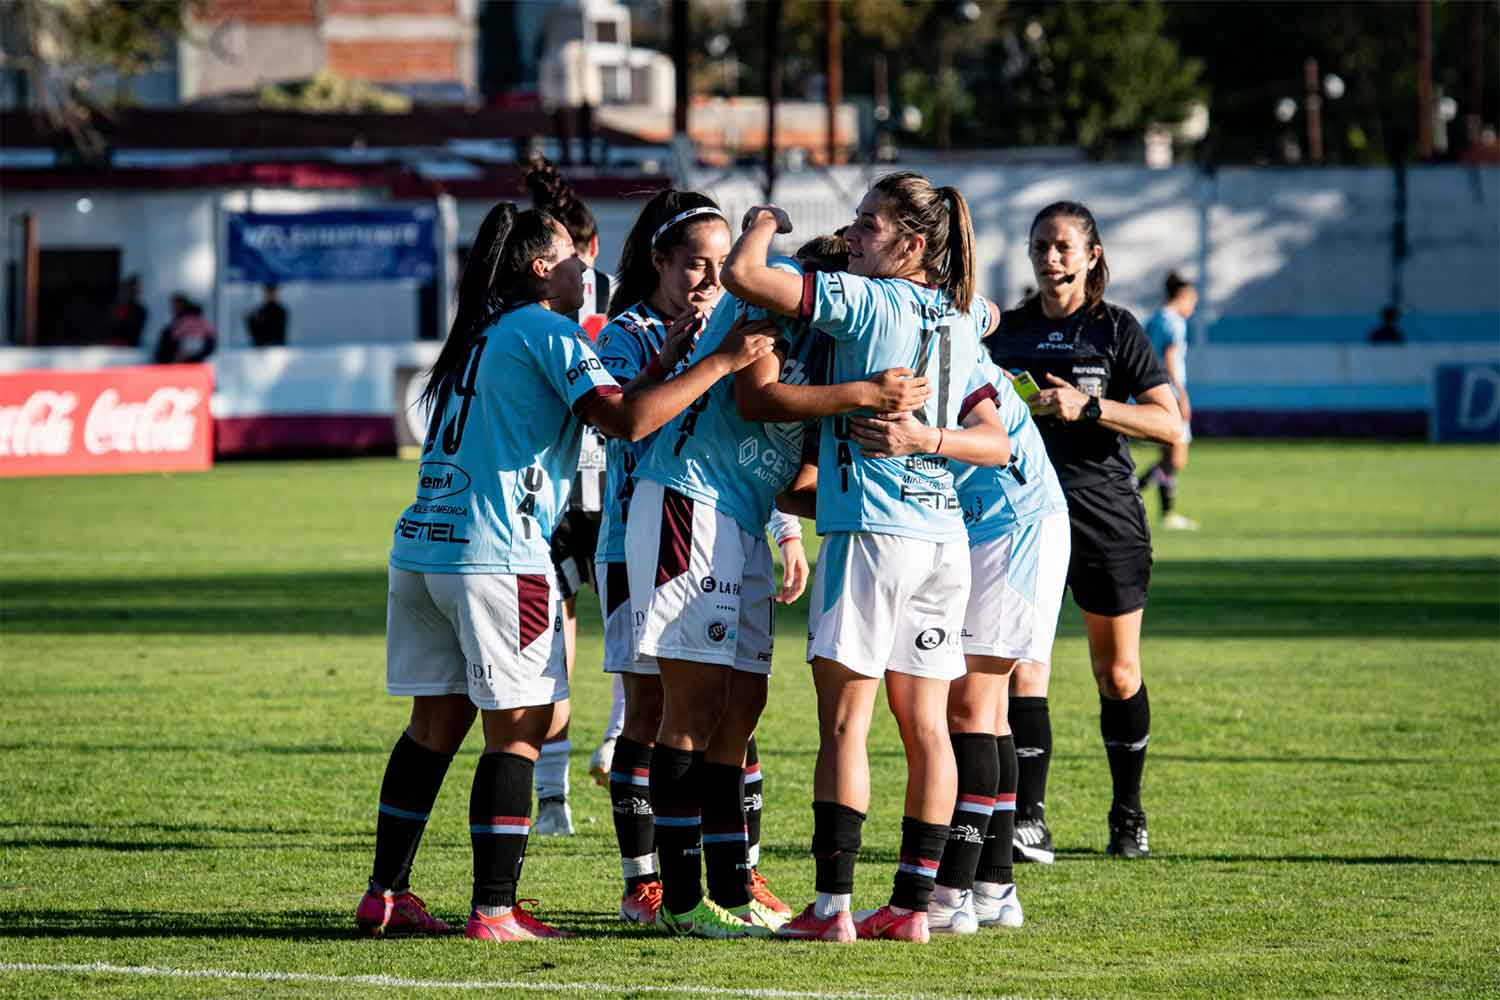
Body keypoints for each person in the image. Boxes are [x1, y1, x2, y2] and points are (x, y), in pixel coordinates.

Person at [355, 201, 774, 944]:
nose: (593, 270)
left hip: (423, 548)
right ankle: (494, 910)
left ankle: (385, 894)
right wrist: (719, 361)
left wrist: (664, 357)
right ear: (544, 268)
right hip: (497, 556)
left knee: (430, 731)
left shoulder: (479, 332)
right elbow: (625, 423)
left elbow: (604, 405)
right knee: (519, 733)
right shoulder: (550, 331)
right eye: (579, 259)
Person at [723, 172, 1012, 944]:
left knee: (844, 727)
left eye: (867, 224)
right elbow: (1000, 439)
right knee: (928, 729)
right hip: (943, 537)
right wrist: (932, 441)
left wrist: (763, 219)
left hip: (874, 536)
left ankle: (832, 910)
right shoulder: (958, 322)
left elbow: (744, 277)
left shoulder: (868, 300)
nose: (851, 235)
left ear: (912, 245)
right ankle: (913, 908)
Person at [627, 231, 931, 938]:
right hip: (689, 501)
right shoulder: (770, 317)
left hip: (745, 518)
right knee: (692, 709)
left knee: (743, 704)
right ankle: (679, 899)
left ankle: (732, 888)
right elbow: (759, 403)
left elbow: (795, 480)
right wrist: (863, 394)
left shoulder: (832, 348)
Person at [986, 201, 1183, 863]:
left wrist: (1089, 406)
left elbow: (1169, 424)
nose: (1051, 258)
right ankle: (1027, 820)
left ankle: (1128, 813)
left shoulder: (1117, 330)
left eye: (1064, 246)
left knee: (1117, 672)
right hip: (1019, 518)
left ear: (1092, 255)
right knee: (1021, 666)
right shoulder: (1003, 330)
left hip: (1104, 517)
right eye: (1041, 245)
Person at [520, 152, 616, 836]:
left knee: (560, 638)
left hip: (556, 492)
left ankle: (553, 800)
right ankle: (613, 738)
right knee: (634, 633)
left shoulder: (528, 309)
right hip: (613, 484)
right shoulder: (623, 293)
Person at [1138, 271, 1199, 531]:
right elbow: (1170, 359)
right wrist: (1181, 395)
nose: (1193, 307)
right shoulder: (1173, 322)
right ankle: (1134, 492)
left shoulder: (1154, 319)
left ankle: (1167, 512)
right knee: (1176, 459)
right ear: (1183, 296)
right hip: (1168, 393)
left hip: (1149, 391)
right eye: (1192, 301)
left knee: (1167, 456)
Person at [152, 294, 217, 364]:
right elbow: (211, 333)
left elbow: (175, 334)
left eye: (176, 306)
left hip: (193, 346)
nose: (173, 309)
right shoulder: (200, 318)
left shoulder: (184, 320)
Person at [104, 275, 147, 348]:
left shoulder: (140, 311)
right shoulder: (112, 307)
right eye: (127, 289)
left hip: (128, 349)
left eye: (133, 290)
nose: (128, 292)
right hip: (108, 347)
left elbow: (133, 332)